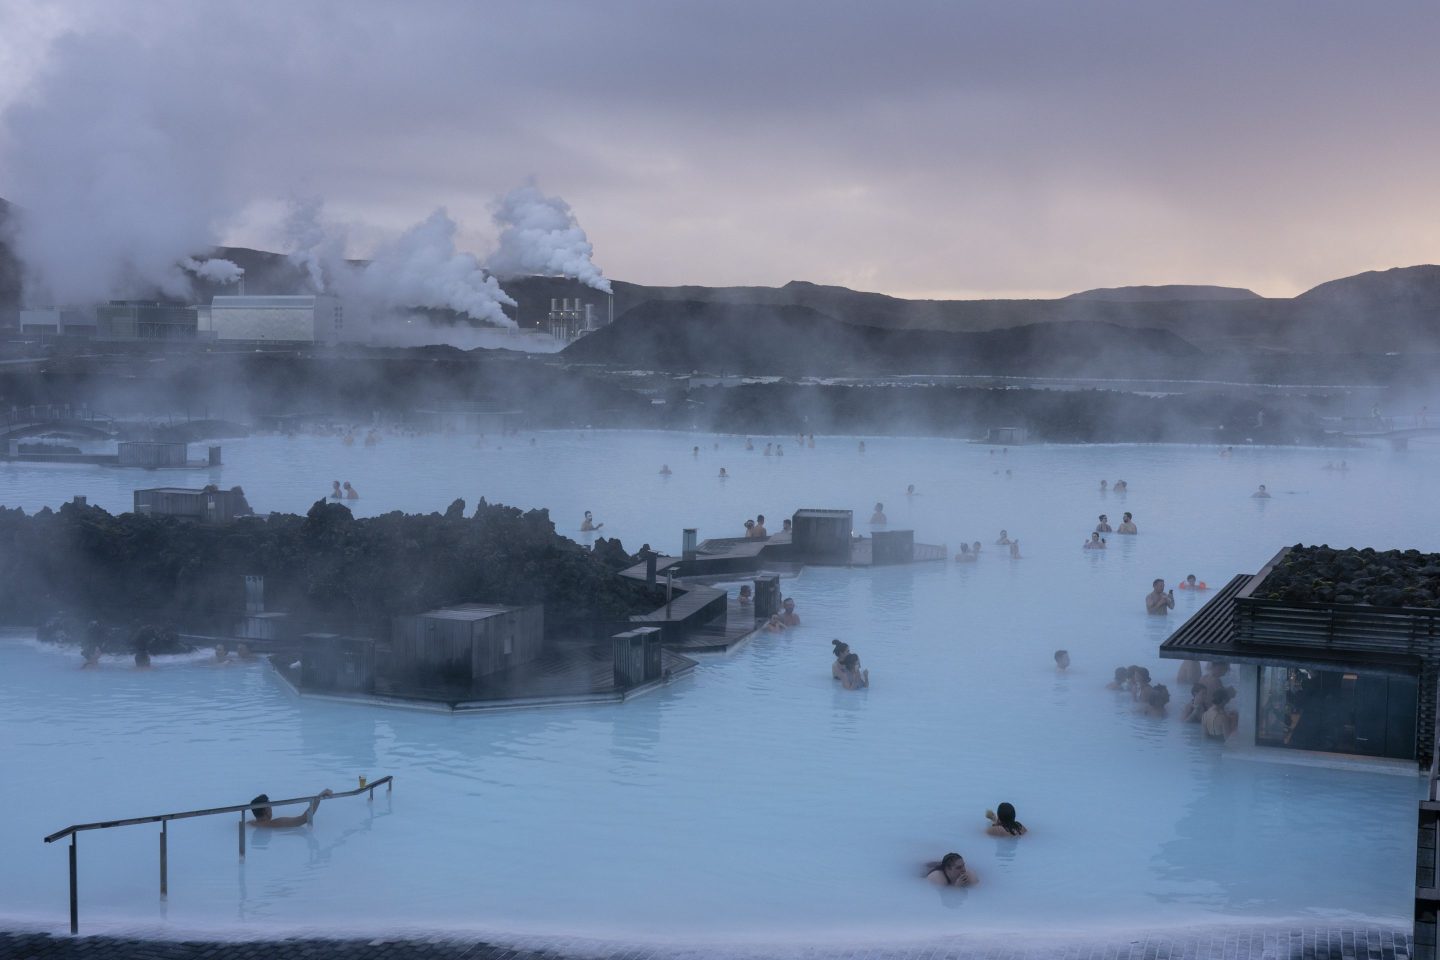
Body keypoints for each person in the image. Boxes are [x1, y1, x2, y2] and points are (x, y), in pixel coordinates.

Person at [248, 788, 334, 829]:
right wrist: (318, 798)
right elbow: (304, 819)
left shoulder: (250, 824)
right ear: (266, 810)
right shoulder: (275, 823)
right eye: (270, 806)